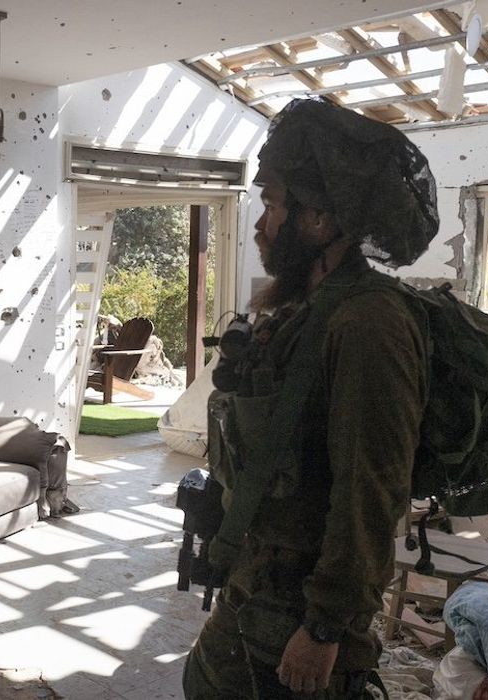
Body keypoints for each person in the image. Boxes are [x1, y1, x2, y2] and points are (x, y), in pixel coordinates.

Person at [183, 98, 439, 698]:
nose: (259, 222)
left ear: (320, 219)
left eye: (272, 204)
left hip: (302, 604)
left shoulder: (369, 324)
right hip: (258, 582)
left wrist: (326, 627)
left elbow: (371, 488)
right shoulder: (303, 309)